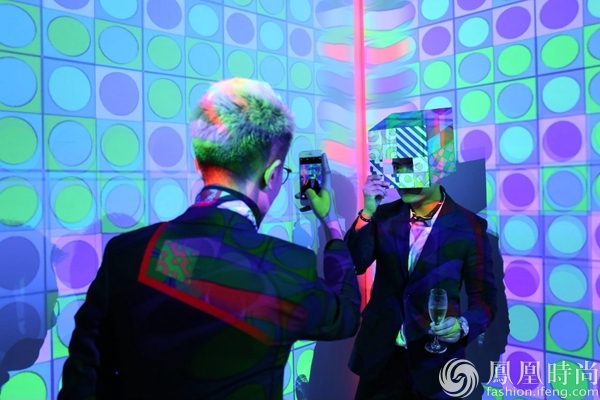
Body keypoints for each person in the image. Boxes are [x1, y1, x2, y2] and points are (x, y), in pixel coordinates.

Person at [58, 78, 361, 400]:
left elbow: (84, 377)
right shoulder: (287, 266)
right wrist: (330, 223)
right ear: (272, 175)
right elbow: (345, 315)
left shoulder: (126, 252)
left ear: (199, 164)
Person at [345, 164, 497, 399]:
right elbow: (353, 264)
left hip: (435, 365)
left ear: (438, 169)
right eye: (399, 169)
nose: (405, 179)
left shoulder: (469, 226)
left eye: (413, 169)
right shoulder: (383, 216)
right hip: (380, 359)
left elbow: (485, 298)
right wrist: (367, 212)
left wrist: (463, 325)